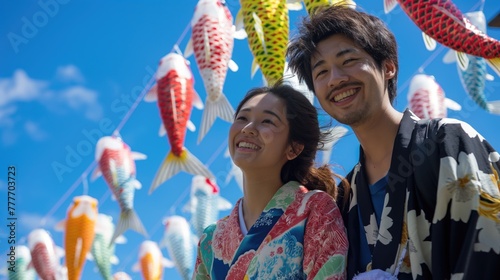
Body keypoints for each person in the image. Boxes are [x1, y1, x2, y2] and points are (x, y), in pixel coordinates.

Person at [286, 4, 500, 279]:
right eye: (321, 72)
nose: (335, 79)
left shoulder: (447, 141)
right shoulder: (344, 196)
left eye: (348, 60)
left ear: (388, 67)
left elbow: (489, 248)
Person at [192, 83, 348, 279]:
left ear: (294, 148)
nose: (248, 129)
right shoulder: (211, 238)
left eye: (267, 121)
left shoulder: (316, 209)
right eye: (242, 118)